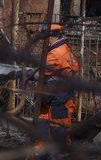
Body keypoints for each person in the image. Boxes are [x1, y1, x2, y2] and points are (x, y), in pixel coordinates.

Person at [35, 23, 78, 157]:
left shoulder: (55, 53)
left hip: (56, 99)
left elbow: (40, 73)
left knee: (53, 131)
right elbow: (75, 68)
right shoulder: (65, 50)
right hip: (60, 98)